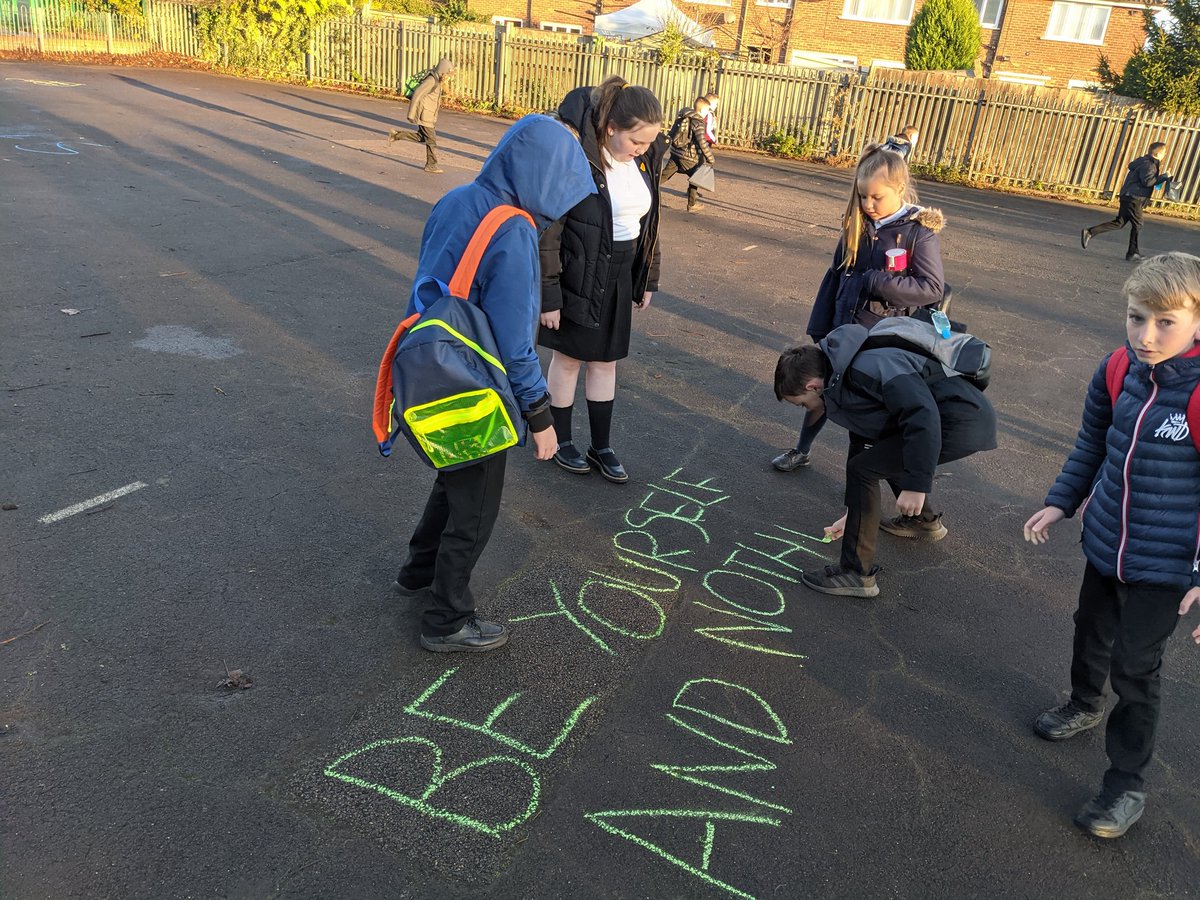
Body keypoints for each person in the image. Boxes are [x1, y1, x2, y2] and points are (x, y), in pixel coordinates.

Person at [394, 115, 597, 652]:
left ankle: (417, 571)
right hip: (474, 380)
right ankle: (447, 619)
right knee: (477, 503)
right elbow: (513, 338)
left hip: (429, 362)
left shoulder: (457, 198)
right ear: (545, 175)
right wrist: (539, 415)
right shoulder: (513, 228)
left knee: (454, 472)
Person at [1022, 252, 1200, 838]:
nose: (1146, 335)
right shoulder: (1118, 369)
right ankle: (1082, 702)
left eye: (1165, 322)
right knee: (1089, 628)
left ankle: (1125, 785)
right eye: (1135, 317)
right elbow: (1091, 443)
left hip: (1168, 564)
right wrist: (1061, 499)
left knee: (1135, 666)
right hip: (1108, 541)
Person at [772, 144, 946, 495]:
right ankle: (803, 449)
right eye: (862, 195)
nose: (868, 204)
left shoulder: (916, 232)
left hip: (879, 337)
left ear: (899, 189)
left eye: (876, 197)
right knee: (823, 390)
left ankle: (909, 507)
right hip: (842, 329)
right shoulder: (857, 224)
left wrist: (876, 281)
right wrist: (820, 325)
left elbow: (930, 288)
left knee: (869, 420)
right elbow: (834, 276)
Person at [775, 332, 995, 599]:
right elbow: (865, 443)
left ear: (812, 386)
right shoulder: (841, 378)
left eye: (800, 404)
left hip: (957, 423)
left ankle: (857, 573)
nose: (805, 409)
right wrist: (854, 515)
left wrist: (917, 484)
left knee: (865, 469)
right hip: (945, 420)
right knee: (871, 462)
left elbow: (922, 415)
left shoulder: (868, 368)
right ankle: (921, 522)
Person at [538, 76, 668, 484]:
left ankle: (602, 445)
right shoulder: (577, 156)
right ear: (611, 127)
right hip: (579, 269)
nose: (643, 151)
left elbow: (648, 224)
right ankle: (561, 441)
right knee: (570, 358)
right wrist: (549, 294)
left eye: (648, 143)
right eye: (636, 142)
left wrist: (648, 276)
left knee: (605, 360)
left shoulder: (643, 161)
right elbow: (550, 229)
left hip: (620, 271)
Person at [1082, 142, 1171, 261]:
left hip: (1128, 196)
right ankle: (1132, 253)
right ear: (1158, 153)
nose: (1165, 154)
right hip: (1135, 198)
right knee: (1138, 224)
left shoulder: (1143, 161)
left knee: (1119, 223)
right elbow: (1148, 182)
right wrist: (1164, 176)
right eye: (1164, 152)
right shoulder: (1149, 165)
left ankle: (1090, 232)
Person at [389, 57, 455, 174]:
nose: (449, 78)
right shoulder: (431, 80)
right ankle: (431, 165)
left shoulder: (437, 80)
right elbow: (417, 95)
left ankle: (396, 135)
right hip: (425, 116)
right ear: (443, 72)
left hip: (428, 115)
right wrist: (411, 113)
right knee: (431, 140)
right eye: (448, 74)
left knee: (422, 137)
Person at [662, 96, 714, 212]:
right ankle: (691, 204)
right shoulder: (699, 123)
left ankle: (647, 187)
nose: (707, 114)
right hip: (688, 157)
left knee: (664, 175)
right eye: (707, 111)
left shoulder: (683, 117)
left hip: (676, 153)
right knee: (696, 178)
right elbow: (702, 143)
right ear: (702, 111)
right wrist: (710, 158)